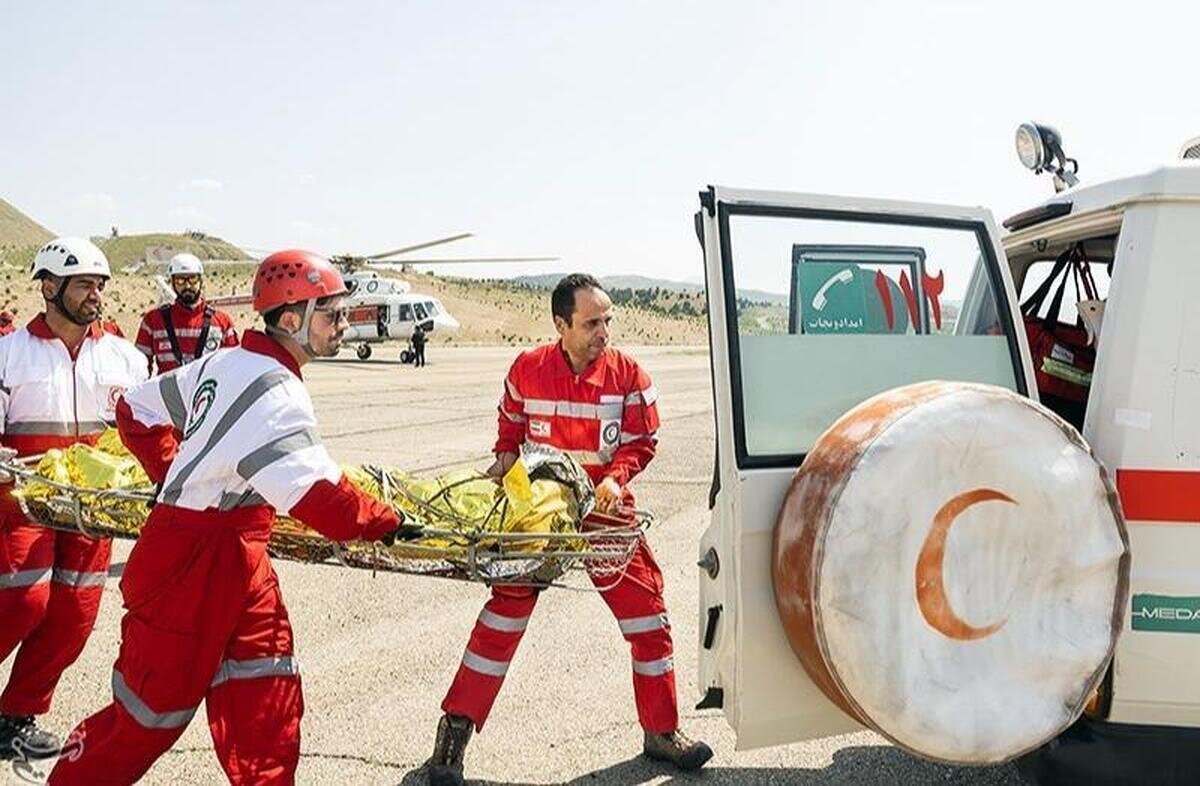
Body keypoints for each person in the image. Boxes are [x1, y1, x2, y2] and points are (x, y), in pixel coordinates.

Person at [48, 249, 416, 785]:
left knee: (265, 694)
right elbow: (320, 497)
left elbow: (135, 408)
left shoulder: (227, 361)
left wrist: (172, 472)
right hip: (189, 567)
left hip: (240, 555)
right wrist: (387, 520)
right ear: (292, 320)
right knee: (149, 717)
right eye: (331, 314)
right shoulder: (276, 391)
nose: (342, 325)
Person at [424, 274, 712, 785]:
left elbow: (643, 439)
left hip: (603, 509)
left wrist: (619, 477)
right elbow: (510, 423)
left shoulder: (628, 374)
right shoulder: (527, 369)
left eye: (608, 320)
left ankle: (661, 732)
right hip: (542, 512)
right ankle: (452, 740)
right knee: (503, 619)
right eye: (592, 322)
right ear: (561, 324)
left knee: (648, 617)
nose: (605, 331)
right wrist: (504, 461)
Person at [0, 238, 148, 760]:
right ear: (49, 287)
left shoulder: (126, 359)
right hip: (22, 503)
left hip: (93, 513)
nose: (96, 295)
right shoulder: (8, 353)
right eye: (84, 284)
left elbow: (147, 433)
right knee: (21, 601)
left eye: (100, 285)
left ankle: (14, 717)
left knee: (74, 616)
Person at [134, 253, 238, 375]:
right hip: (166, 393)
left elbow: (234, 366)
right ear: (172, 282)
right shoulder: (153, 321)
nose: (187, 286)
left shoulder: (222, 322)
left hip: (207, 392)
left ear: (201, 281)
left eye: (193, 279)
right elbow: (138, 368)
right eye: (180, 280)